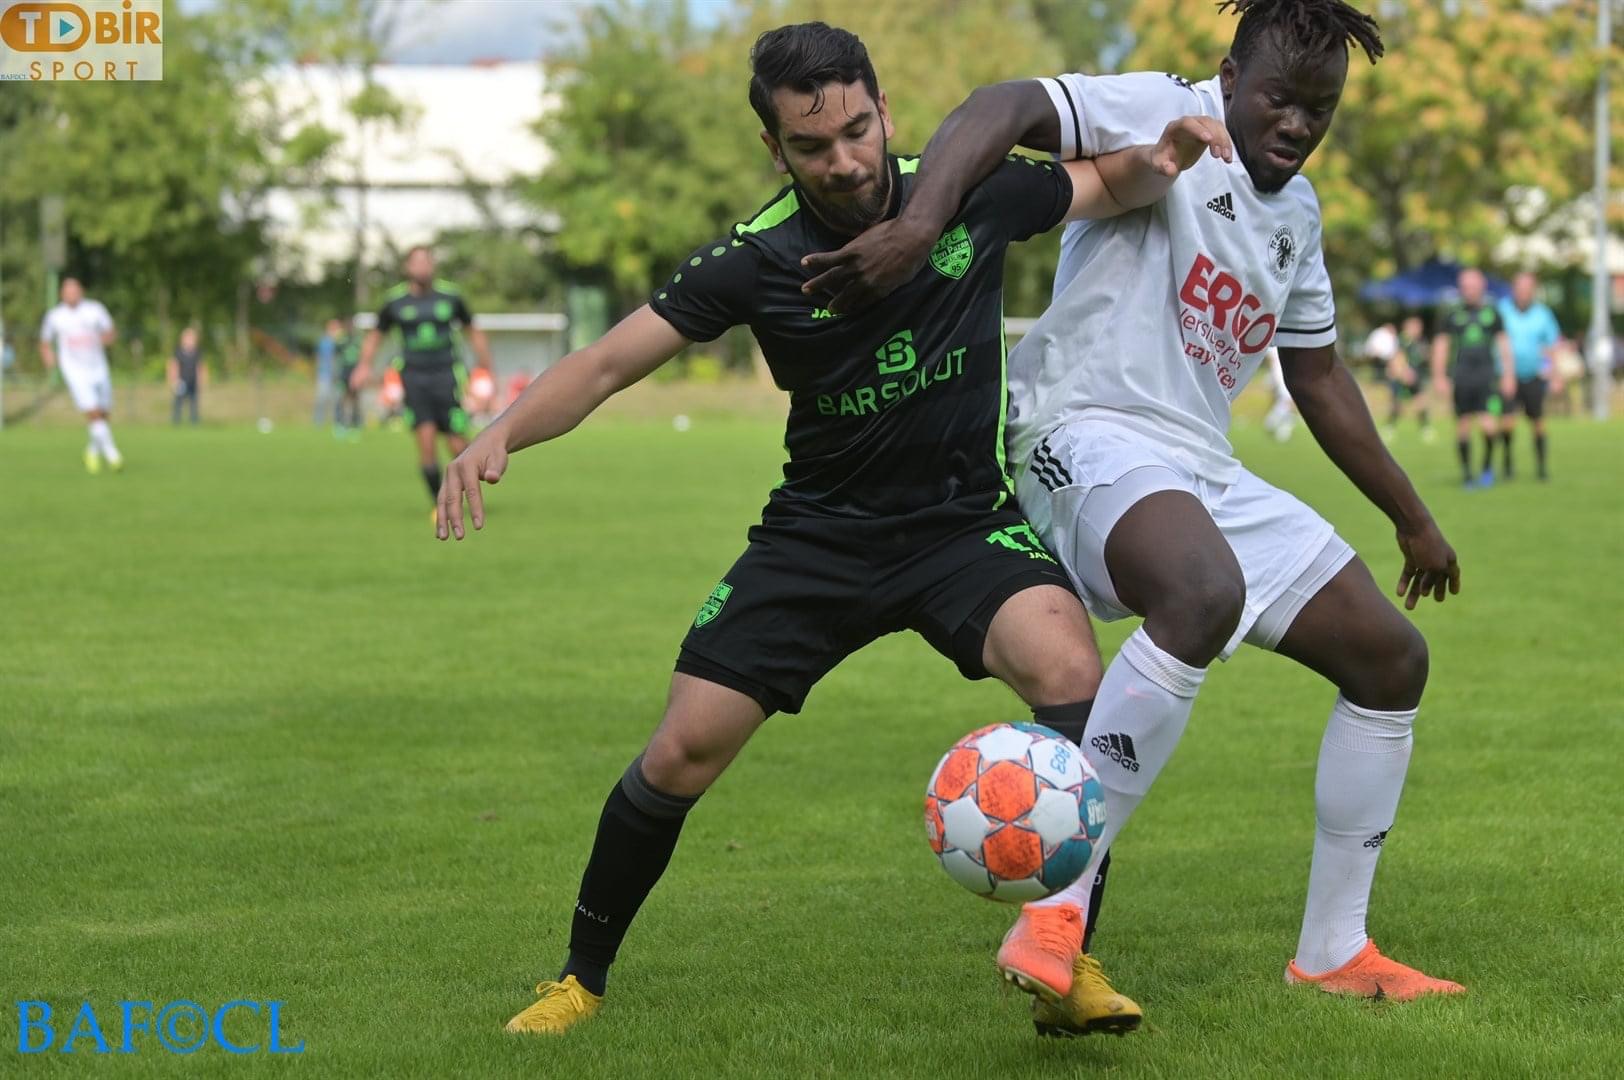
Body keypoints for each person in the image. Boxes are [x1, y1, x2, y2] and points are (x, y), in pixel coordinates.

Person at [436, 21, 1229, 1038]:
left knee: (1075, 680)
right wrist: (498, 431)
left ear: (885, 109)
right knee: (680, 754)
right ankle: (579, 980)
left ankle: (1061, 959)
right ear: (776, 150)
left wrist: (1165, 156)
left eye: (857, 129)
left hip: (960, 525)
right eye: (813, 146)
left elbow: (1104, 186)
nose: (845, 160)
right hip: (818, 538)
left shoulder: (970, 189)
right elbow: (602, 365)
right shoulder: (757, 256)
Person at [802, 0, 1465, 1017]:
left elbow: (1319, 376)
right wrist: (919, 221)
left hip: (1196, 462)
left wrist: (1411, 516)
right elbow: (1007, 101)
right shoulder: (1164, 109)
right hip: (1079, 424)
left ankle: (1334, 949)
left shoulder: (1297, 216)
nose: (1294, 124)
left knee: (1389, 658)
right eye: (1278, 99)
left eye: (1318, 109)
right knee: (1200, 591)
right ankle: (1059, 908)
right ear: (1229, 77)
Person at [351, 246, 493, 506]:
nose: (422, 267)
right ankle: (439, 502)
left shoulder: (450, 297)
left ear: (433, 266)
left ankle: (470, 491)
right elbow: (375, 336)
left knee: (457, 443)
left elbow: (473, 330)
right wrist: (364, 365)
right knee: (425, 442)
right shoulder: (395, 301)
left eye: (426, 261)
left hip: (447, 376)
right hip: (414, 379)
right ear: (407, 267)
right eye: (416, 262)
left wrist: (484, 367)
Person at [1431, 267, 1511, 488]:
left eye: (1473, 286)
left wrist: (1508, 375)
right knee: (1463, 425)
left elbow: (1504, 346)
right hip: (1461, 377)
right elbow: (1441, 346)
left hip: (1486, 377)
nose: (1469, 291)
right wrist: (1439, 376)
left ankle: (1486, 468)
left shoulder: (1493, 313)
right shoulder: (1452, 314)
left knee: (1488, 426)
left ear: (1482, 286)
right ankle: (1467, 474)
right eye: (1465, 287)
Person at [39, 277, 123, 473]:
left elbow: (110, 331)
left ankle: (92, 451)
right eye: (68, 291)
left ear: (81, 291)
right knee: (92, 411)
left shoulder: (95, 309)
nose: (72, 294)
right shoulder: (55, 316)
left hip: (98, 367)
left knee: (103, 414)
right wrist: (49, 356)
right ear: (62, 294)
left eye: (75, 290)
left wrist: (106, 338)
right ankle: (113, 454)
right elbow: (44, 341)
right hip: (75, 371)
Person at [1495, 271, 1561, 481]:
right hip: (1507, 376)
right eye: (1519, 288)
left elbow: (1551, 346)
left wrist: (1554, 373)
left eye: (1527, 289)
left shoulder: (1543, 314)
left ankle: (1541, 468)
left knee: (1538, 422)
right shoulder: (1501, 310)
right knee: (1507, 422)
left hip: (1533, 375)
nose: (1523, 293)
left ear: (1533, 291)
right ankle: (1507, 464)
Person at [1385, 315, 1433, 441]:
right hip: (1403, 376)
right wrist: (1404, 372)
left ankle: (1425, 428)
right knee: (1397, 405)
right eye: (1416, 326)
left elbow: (1422, 357)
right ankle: (1390, 427)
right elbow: (1398, 357)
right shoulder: (1403, 340)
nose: (1419, 329)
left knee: (1421, 402)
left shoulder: (1420, 340)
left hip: (1416, 376)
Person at [330, 318, 363, 437]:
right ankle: (339, 424)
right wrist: (335, 373)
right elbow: (335, 357)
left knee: (355, 398)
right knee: (341, 398)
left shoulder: (358, 340)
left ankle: (356, 424)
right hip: (344, 373)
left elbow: (364, 357)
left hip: (355, 373)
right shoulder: (341, 341)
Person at [168, 326, 203, 426]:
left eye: (192, 338)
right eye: (188, 338)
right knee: (178, 403)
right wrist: (174, 380)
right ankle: (176, 422)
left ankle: (194, 422)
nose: (190, 341)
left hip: (193, 382)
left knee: (194, 403)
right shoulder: (178, 352)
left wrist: (200, 381)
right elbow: (174, 366)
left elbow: (199, 367)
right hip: (181, 382)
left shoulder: (197, 352)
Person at [314, 321, 338, 426]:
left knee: (336, 400)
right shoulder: (324, 342)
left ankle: (337, 422)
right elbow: (319, 358)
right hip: (325, 375)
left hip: (336, 376)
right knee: (321, 399)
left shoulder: (339, 342)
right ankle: (318, 422)